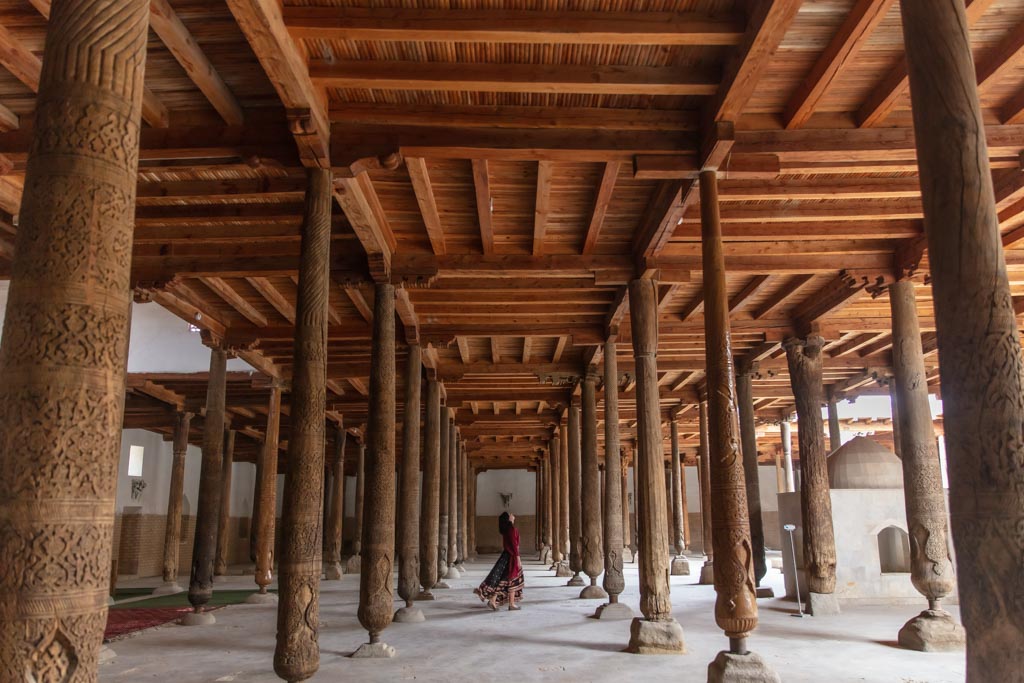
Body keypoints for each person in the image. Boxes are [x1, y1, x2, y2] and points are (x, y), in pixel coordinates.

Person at [474, 511, 524, 611]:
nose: (512, 515)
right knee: (511, 580)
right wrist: (518, 559)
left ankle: (496, 600)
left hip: (506, 556)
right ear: (508, 519)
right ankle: (510, 604)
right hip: (511, 557)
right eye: (510, 514)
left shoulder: (506, 530)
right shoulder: (512, 529)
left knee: (504, 580)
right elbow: (514, 546)